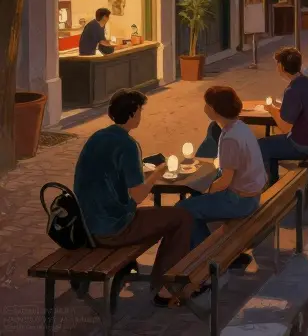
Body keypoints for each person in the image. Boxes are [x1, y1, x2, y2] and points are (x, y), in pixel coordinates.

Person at [74, 89, 192, 306]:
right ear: (133, 113)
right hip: (112, 228)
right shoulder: (127, 145)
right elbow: (137, 195)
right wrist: (157, 173)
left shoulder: (97, 137)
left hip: (87, 223)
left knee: (160, 217)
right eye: (139, 111)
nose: (140, 116)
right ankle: (165, 289)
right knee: (182, 217)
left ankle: (151, 277)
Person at [178, 87, 265, 264]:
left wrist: (206, 190)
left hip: (240, 200)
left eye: (206, 104)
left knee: (183, 209)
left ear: (214, 109)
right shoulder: (240, 126)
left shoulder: (230, 138)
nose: (204, 107)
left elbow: (225, 182)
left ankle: (206, 258)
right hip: (252, 193)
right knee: (194, 200)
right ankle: (211, 251)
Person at [259, 48, 308, 182]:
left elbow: (285, 128)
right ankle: (273, 182)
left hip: (305, 144)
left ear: (281, 66)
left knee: (262, 145)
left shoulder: (293, 90)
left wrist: (272, 110)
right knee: (271, 143)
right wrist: (279, 108)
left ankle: (272, 187)